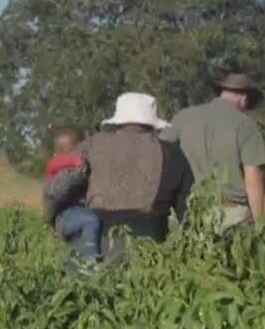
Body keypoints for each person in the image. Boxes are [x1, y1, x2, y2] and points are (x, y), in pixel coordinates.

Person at [79, 92, 191, 264]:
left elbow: (66, 184)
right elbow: (186, 210)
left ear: (118, 121)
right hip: (149, 248)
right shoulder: (172, 153)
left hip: (96, 241)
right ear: (153, 125)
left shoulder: (91, 145)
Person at [161, 73, 265, 232]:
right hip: (231, 213)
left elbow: (160, 152)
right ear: (244, 98)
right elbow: (252, 178)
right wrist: (260, 224)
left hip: (189, 211)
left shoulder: (183, 117)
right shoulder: (246, 125)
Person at [42, 126, 102, 275]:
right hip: (64, 215)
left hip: (71, 214)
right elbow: (52, 164)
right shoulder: (57, 164)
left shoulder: (72, 166)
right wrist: (75, 161)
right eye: (77, 147)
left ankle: (70, 269)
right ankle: (90, 262)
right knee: (91, 220)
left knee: (76, 244)